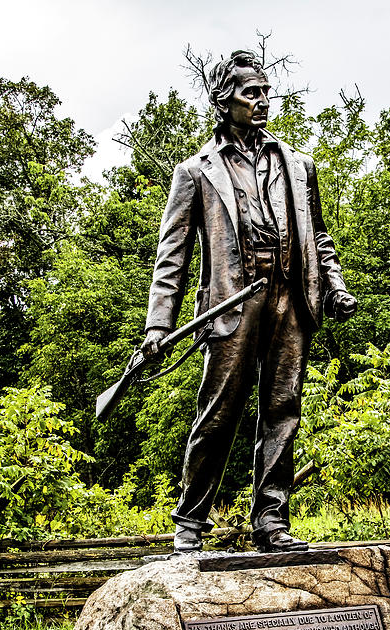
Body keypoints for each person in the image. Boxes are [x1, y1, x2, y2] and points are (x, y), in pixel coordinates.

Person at [142, 50, 357, 553]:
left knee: (283, 409)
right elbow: (171, 258)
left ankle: (271, 521)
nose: (262, 101)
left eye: (265, 92)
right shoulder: (195, 172)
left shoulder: (298, 165)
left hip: (291, 297)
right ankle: (190, 524)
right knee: (217, 414)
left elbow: (318, 236)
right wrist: (158, 326)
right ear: (224, 101)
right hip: (233, 302)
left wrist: (335, 284)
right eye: (250, 93)